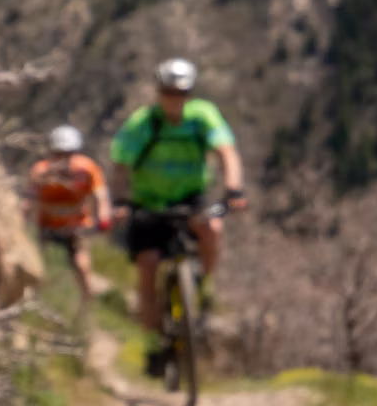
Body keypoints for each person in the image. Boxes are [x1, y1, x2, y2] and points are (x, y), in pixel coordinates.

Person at [109, 58, 246, 373]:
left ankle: (203, 286)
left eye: (182, 92)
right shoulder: (142, 123)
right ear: (159, 92)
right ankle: (153, 344)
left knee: (211, 227)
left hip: (190, 198)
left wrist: (234, 189)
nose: (175, 98)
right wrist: (121, 201)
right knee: (148, 267)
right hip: (149, 204)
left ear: (190, 93)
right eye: (169, 92)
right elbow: (121, 167)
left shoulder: (203, 117)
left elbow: (226, 151)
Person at [26, 124, 111, 307]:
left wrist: (102, 218)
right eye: (58, 154)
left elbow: (99, 194)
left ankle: (87, 307)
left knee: (82, 266)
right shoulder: (40, 172)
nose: (63, 159)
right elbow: (31, 199)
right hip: (47, 227)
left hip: (76, 227)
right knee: (38, 266)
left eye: (68, 154)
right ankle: (38, 303)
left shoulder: (87, 169)